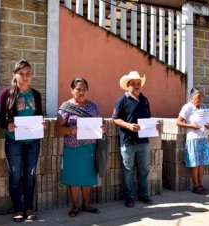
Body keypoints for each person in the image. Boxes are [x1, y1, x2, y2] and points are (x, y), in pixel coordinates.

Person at [0, 59, 44, 222]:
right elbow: (0, 118)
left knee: (30, 175)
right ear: (14, 75)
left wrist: (41, 124)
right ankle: (18, 209)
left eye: (28, 73)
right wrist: (7, 125)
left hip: (33, 142)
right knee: (16, 175)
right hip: (14, 141)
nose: (25, 77)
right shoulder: (6, 94)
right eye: (21, 74)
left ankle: (29, 208)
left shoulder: (36, 94)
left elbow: (39, 116)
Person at [55, 78, 105, 217]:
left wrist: (103, 127)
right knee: (74, 178)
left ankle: (86, 205)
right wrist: (72, 130)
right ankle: (75, 206)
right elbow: (58, 128)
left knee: (88, 177)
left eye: (84, 89)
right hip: (73, 148)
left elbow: (101, 122)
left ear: (87, 90)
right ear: (72, 90)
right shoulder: (65, 107)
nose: (81, 91)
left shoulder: (94, 106)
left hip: (90, 147)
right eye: (78, 89)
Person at [112, 71, 157, 208]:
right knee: (127, 170)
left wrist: (154, 125)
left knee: (144, 169)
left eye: (138, 84)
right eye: (134, 84)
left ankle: (143, 194)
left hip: (143, 141)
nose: (137, 86)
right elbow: (115, 119)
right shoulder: (121, 100)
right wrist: (128, 125)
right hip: (128, 141)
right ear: (127, 85)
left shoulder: (144, 99)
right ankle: (129, 196)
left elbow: (147, 118)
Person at [177, 87, 209, 195]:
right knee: (195, 163)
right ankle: (196, 185)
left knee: (201, 163)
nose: (201, 98)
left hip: (203, 138)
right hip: (193, 138)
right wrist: (190, 125)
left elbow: (207, 121)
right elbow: (178, 121)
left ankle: (200, 184)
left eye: (202, 96)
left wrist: (208, 124)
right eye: (198, 96)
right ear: (192, 96)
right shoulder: (187, 107)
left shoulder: (203, 106)